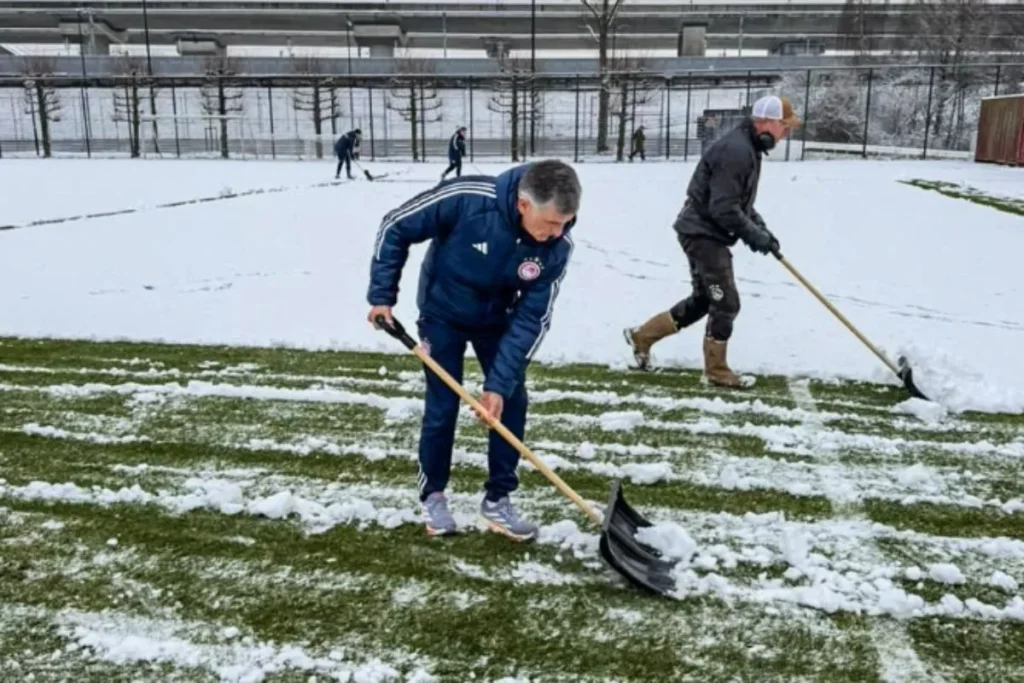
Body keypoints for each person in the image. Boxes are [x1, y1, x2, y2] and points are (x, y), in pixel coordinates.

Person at [367, 160, 580, 541]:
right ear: (523, 205)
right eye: (550, 224)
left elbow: (532, 319)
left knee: (510, 401)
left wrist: (497, 386)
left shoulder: (556, 248)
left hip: (499, 320)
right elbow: (395, 227)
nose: (557, 233)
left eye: (565, 223)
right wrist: (382, 296)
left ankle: (498, 499)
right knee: (443, 403)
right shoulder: (467, 199)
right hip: (441, 315)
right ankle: (433, 494)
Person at [623, 95, 800, 388]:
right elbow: (723, 208)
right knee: (726, 302)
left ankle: (643, 336)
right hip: (703, 234)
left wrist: (762, 231)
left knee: (706, 300)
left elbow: (738, 204)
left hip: (705, 230)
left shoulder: (749, 147)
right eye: (784, 126)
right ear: (766, 123)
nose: (786, 133)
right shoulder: (737, 151)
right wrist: (753, 236)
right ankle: (716, 370)